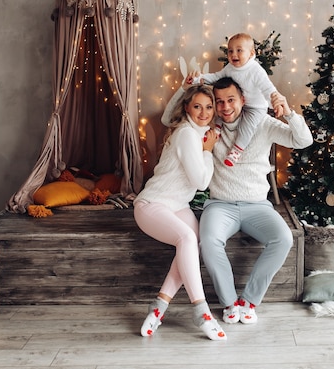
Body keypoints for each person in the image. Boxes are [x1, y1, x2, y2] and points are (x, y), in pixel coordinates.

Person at [162, 76, 313, 325]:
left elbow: (303, 141)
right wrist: (184, 88)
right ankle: (230, 303)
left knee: (284, 238)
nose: (225, 107)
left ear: (243, 100)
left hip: (257, 206)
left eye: (231, 100)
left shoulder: (262, 123)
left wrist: (288, 114)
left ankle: (249, 301)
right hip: (220, 205)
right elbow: (169, 120)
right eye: (218, 102)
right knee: (208, 242)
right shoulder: (210, 124)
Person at [133, 83, 226, 341]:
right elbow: (201, 182)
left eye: (209, 107)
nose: (204, 112)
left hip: (178, 206)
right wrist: (207, 152)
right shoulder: (187, 134)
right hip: (152, 204)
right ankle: (202, 312)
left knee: (193, 243)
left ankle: (158, 308)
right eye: (197, 106)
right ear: (186, 108)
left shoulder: (201, 132)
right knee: (186, 239)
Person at [198, 33, 284, 167]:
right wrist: (201, 79)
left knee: (247, 127)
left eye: (239, 50)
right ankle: (217, 130)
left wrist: (275, 101)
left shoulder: (256, 70)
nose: (234, 55)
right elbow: (216, 77)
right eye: (230, 51)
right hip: (239, 104)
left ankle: (237, 150)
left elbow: (268, 88)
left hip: (255, 107)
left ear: (251, 53)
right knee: (222, 108)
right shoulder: (229, 68)